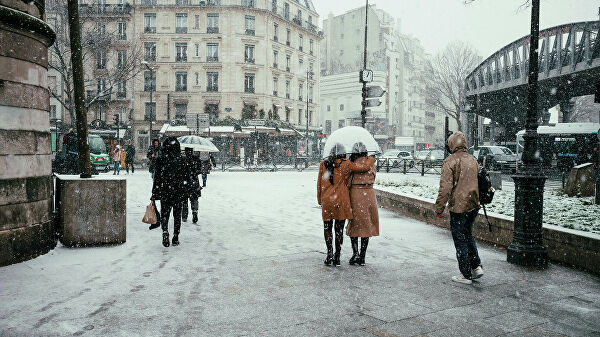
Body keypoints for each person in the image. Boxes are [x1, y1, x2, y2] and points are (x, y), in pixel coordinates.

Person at [434, 131, 483, 285]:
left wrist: (439, 208)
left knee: (459, 238)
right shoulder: (472, 160)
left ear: (451, 144)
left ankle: (465, 274)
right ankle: (476, 267)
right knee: (468, 235)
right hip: (473, 204)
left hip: (459, 206)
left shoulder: (450, 161)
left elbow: (445, 188)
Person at [317, 144, 376, 266]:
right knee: (338, 229)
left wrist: (320, 200)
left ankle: (330, 254)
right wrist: (371, 159)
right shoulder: (347, 163)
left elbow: (319, 184)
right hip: (341, 201)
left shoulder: (324, 164)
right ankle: (337, 258)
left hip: (328, 200)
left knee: (327, 227)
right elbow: (363, 168)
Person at [152, 137, 192, 247]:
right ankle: (176, 236)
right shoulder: (182, 160)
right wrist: (186, 190)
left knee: (165, 213)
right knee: (177, 215)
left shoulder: (161, 160)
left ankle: (165, 232)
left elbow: (157, 178)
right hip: (178, 191)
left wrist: (155, 192)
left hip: (165, 190)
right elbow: (187, 178)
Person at [346, 142, 379, 266]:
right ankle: (363, 257)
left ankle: (355, 253)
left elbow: (348, 180)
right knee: (367, 225)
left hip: (355, 194)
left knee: (354, 223)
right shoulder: (371, 164)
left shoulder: (351, 164)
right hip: (369, 194)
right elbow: (374, 177)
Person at [182, 148, 202, 224]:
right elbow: (200, 170)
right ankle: (194, 211)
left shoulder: (183, 159)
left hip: (185, 182)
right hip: (194, 181)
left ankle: (184, 215)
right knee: (194, 198)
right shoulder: (196, 159)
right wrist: (194, 173)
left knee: (184, 199)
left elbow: (180, 171)